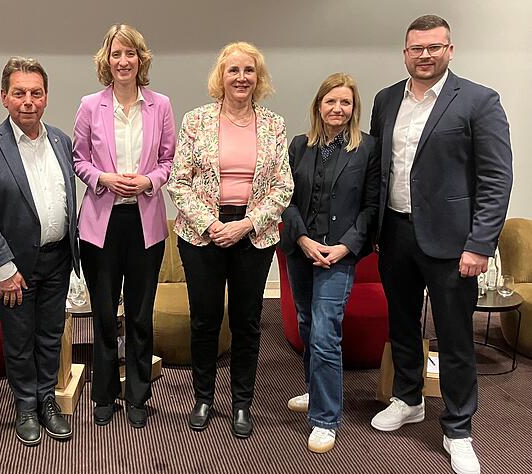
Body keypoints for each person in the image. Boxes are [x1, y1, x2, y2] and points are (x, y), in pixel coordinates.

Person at [369, 15, 512, 474]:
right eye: (416, 48)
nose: (424, 55)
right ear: (405, 52)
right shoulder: (386, 99)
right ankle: (408, 398)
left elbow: (495, 179)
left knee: (454, 337)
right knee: (403, 325)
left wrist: (480, 244)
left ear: (450, 50)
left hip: (454, 243)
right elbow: (380, 168)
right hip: (395, 232)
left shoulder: (478, 100)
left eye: (434, 47)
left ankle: (457, 428)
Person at [168, 41, 293, 439]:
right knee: (204, 319)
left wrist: (246, 223)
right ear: (220, 77)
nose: (241, 78)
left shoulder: (273, 124)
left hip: (253, 235)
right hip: (202, 234)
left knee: (247, 321)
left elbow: (282, 186)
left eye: (249, 71)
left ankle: (242, 403)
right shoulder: (196, 120)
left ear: (259, 78)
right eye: (233, 70)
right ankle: (203, 396)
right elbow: (179, 181)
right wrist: (211, 224)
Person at [0, 57, 80, 446]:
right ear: (4, 97)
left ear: (46, 97)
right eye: (19, 93)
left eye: (36, 93)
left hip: (58, 258)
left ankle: (47, 398)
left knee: (50, 335)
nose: (28, 101)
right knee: (18, 339)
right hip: (14, 267)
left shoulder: (62, 141)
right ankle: (25, 404)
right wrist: (3, 267)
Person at [72, 24, 175, 428]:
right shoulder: (89, 105)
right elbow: (79, 159)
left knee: (139, 313)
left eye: (130, 54)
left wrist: (150, 180)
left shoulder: (161, 105)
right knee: (102, 311)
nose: (123, 61)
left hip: (145, 222)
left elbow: (168, 161)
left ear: (141, 59)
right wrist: (103, 179)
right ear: (107, 60)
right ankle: (103, 393)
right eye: (116, 54)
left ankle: (137, 394)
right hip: (101, 223)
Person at [279, 73, 380, 453]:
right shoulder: (299, 145)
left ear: (354, 109)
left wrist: (345, 247)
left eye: (346, 103)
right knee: (306, 324)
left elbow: (372, 206)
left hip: (339, 255)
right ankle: (314, 390)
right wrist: (303, 239)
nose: (338, 109)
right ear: (318, 105)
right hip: (301, 250)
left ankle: (325, 418)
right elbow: (285, 198)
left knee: (325, 332)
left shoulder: (368, 148)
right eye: (331, 101)